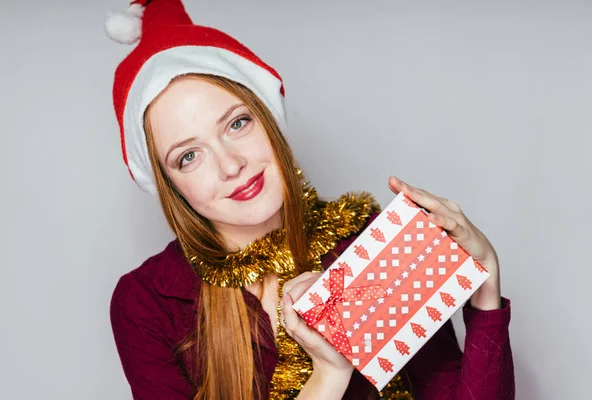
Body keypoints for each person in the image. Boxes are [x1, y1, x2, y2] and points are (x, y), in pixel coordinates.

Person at [105, 1, 515, 399]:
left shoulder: (367, 244)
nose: (231, 165)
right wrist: (328, 376)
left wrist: (485, 283)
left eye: (237, 123)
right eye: (188, 156)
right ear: (171, 185)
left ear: (269, 119)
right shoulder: (146, 303)